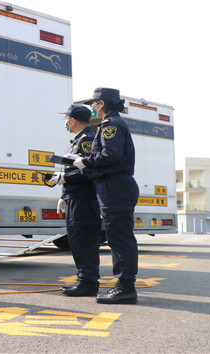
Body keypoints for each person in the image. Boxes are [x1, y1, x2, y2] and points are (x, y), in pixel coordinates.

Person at [73, 88, 140, 304]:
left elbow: (110, 155)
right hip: (113, 186)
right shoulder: (109, 123)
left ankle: (125, 287)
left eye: (94, 103)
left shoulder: (111, 124)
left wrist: (87, 161)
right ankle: (124, 286)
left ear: (101, 104)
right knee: (118, 237)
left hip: (116, 186)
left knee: (120, 238)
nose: (92, 107)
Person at [49, 104, 102, 297]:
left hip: (84, 199)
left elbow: (89, 171)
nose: (65, 123)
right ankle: (84, 280)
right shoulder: (78, 140)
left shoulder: (87, 140)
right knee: (77, 241)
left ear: (72, 120)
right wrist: (64, 195)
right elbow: (74, 169)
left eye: (66, 119)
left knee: (84, 241)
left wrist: (66, 179)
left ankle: (88, 283)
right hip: (75, 197)